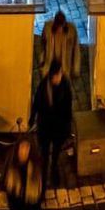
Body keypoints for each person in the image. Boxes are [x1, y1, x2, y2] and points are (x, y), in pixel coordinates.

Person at [30, 58, 74, 186]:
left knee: (56, 151)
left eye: (59, 75)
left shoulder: (65, 86)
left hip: (59, 127)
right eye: (56, 76)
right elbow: (37, 102)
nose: (58, 78)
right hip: (45, 126)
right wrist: (32, 118)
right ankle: (44, 174)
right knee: (44, 151)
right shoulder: (44, 85)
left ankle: (54, 168)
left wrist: (68, 126)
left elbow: (68, 108)